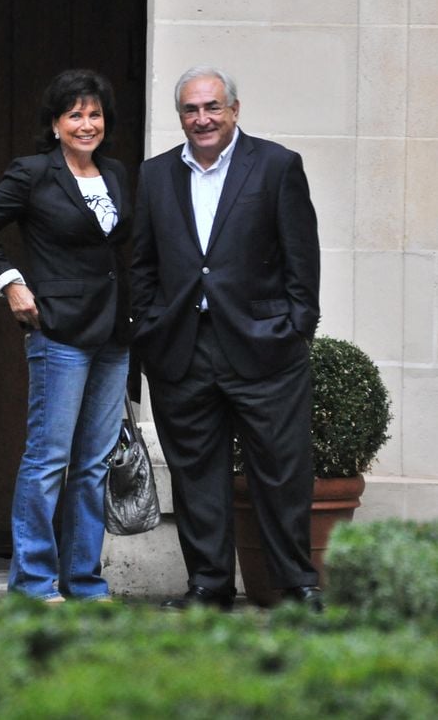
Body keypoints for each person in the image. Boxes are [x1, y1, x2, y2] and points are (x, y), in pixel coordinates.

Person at [131, 66, 322, 610]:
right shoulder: (155, 175)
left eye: (212, 107)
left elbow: (301, 261)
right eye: (191, 110)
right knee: (195, 477)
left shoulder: (278, 166)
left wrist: (294, 329)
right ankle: (208, 586)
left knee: (282, 473)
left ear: (235, 110)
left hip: (265, 348)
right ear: (180, 117)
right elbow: (142, 264)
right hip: (182, 349)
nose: (202, 119)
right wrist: (149, 327)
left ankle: (297, 585)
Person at [0, 69, 131, 603]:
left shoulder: (118, 174)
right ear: (55, 124)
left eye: (95, 113)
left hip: (114, 334)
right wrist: (11, 284)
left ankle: (84, 582)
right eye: (75, 114)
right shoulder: (33, 174)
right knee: (48, 460)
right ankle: (35, 583)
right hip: (58, 331)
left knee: (94, 465)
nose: (87, 124)